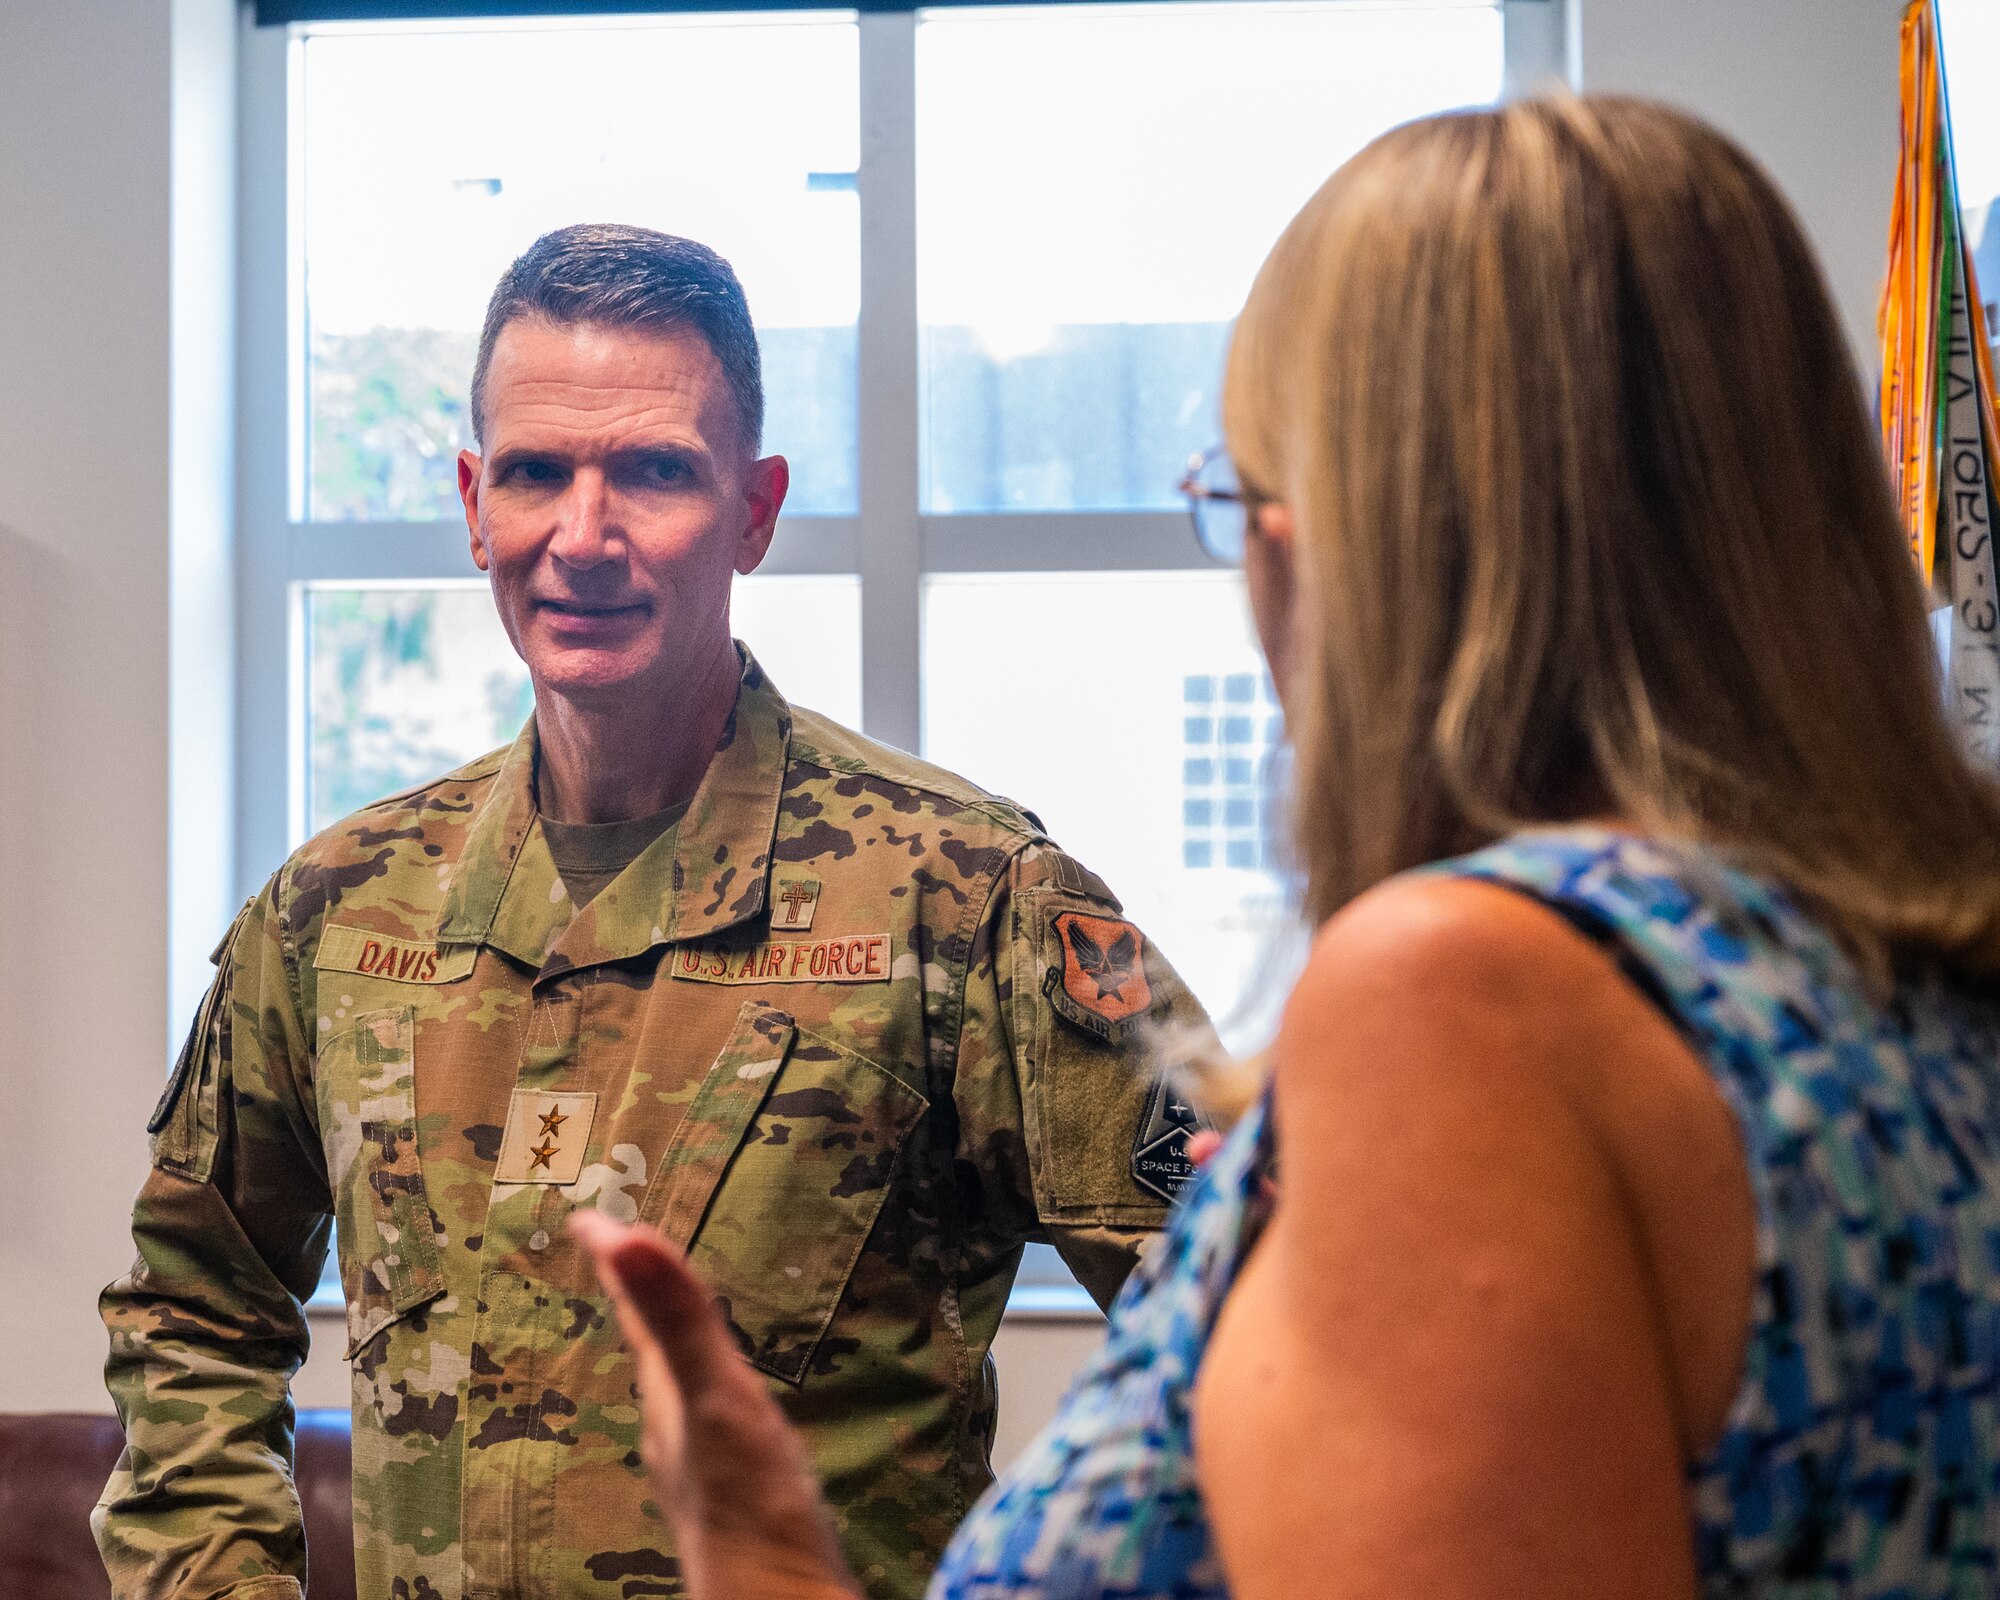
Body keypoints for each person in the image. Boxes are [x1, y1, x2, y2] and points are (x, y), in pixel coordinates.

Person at [573, 93, 2000, 1600]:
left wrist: (766, 1565)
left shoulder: (1471, 1000)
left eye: (1238, 500)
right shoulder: (1902, 968)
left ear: (1361, 549)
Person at [95, 224, 1212, 1600]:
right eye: (535, 474)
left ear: (753, 510)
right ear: (471, 501)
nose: (584, 537)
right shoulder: (337, 914)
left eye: (656, 473)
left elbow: (1252, 1331)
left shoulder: (963, 901)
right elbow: (192, 1302)